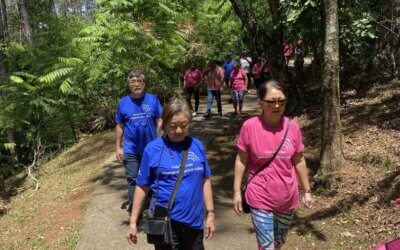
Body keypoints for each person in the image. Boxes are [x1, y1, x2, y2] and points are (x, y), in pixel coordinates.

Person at [232, 80, 315, 250]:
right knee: (266, 246)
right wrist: (236, 193)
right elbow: (241, 160)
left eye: (281, 101)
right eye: (271, 101)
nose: (277, 105)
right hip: (259, 195)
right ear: (260, 103)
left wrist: (306, 191)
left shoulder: (292, 127)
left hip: (286, 197)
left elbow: (299, 160)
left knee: (278, 243)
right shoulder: (249, 127)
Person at [126, 99, 216, 249]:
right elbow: (142, 187)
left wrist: (211, 213)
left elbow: (205, 180)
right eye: (173, 126)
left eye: (184, 125)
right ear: (164, 124)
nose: (179, 130)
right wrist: (133, 222)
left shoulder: (197, 146)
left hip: (194, 223)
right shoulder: (152, 149)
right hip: (166, 224)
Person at [115, 69, 163, 212]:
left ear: (144, 83)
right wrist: (118, 147)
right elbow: (119, 125)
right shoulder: (123, 102)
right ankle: (136, 210)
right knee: (133, 179)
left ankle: (156, 208)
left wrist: (162, 141)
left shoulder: (152, 99)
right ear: (129, 84)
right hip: (130, 148)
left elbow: (159, 120)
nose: (136, 84)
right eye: (132, 81)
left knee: (154, 177)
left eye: (139, 81)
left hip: (151, 148)